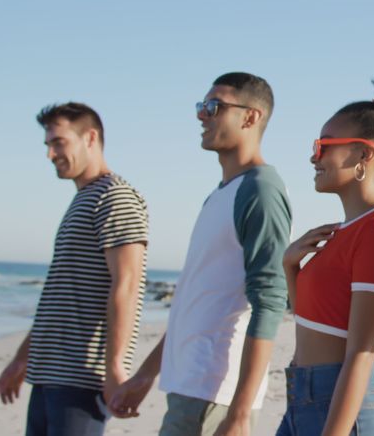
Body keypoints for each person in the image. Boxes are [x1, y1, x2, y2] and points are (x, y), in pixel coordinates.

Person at [110, 72, 292, 436]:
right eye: (201, 107)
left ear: (250, 117)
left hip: (214, 396)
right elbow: (195, 301)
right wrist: (147, 374)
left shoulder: (260, 192)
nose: (201, 116)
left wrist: (239, 413)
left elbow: (270, 301)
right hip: (190, 388)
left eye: (214, 106)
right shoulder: (221, 194)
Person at [277, 64, 374, 436]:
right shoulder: (344, 232)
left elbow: (361, 354)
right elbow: (315, 321)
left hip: (343, 413)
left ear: (364, 154)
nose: (313, 158)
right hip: (303, 400)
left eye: (322, 146)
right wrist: (290, 267)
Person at [0, 102, 149, 436]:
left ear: (90, 138)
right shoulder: (84, 198)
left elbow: (127, 284)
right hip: (50, 373)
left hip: (82, 378)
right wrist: (23, 359)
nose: (50, 153)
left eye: (58, 142)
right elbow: (63, 296)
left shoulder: (115, 196)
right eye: (48, 145)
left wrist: (115, 367)